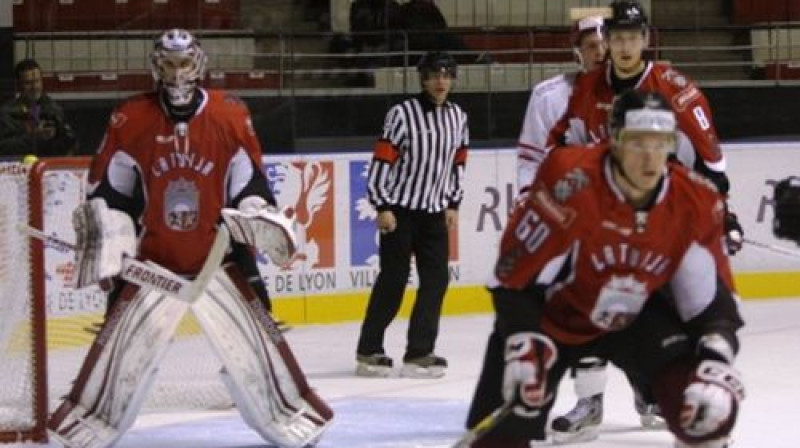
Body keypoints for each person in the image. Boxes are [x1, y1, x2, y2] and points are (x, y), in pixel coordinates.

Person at [47, 29, 332, 448]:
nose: (176, 73)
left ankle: (287, 418)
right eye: (168, 64)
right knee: (121, 354)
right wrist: (110, 230)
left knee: (257, 345)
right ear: (155, 66)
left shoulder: (230, 115)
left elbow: (249, 183)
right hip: (151, 261)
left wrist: (255, 213)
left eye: (183, 63)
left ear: (198, 64)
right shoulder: (130, 118)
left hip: (219, 257)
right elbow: (109, 190)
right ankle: (88, 425)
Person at [464, 90, 745, 448]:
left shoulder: (695, 199)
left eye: (660, 144)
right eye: (637, 143)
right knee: (505, 426)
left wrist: (716, 364)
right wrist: (522, 338)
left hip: (639, 319)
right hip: (556, 316)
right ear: (613, 141)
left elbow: (712, 305)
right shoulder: (569, 177)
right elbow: (513, 276)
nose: (650, 157)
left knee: (708, 416)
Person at [543, 1, 745, 440]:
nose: (624, 45)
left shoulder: (675, 87)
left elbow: (713, 164)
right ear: (607, 41)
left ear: (646, 39)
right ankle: (590, 403)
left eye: (633, 37)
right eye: (617, 38)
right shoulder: (589, 88)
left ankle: (674, 399)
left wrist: (721, 214)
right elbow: (565, 147)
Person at [355, 50, 469, 379]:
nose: (440, 81)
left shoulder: (458, 117)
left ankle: (419, 351)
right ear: (423, 78)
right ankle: (369, 348)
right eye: (434, 74)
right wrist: (382, 205)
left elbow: (458, 162)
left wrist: (453, 203)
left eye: (447, 75)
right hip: (400, 211)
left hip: (435, 214)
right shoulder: (402, 114)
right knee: (393, 279)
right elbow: (382, 160)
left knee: (436, 280)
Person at [517, 13, 607, 195]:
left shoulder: (634, 94)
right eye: (591, 46)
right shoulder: (547, 97)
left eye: (606, 44)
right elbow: (531, 159)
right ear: (578, 53)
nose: (600, 52)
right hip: (566, 205)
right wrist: (526, 198)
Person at [0, 58, 77, 157]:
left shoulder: (53, 109)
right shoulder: (6, 114)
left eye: (37, 81)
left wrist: (60, 136)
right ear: (18, 85)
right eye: (28, 83)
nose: (34, 87)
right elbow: (4, 147)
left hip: (48, 165)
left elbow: (68, 145)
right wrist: (34, 137)